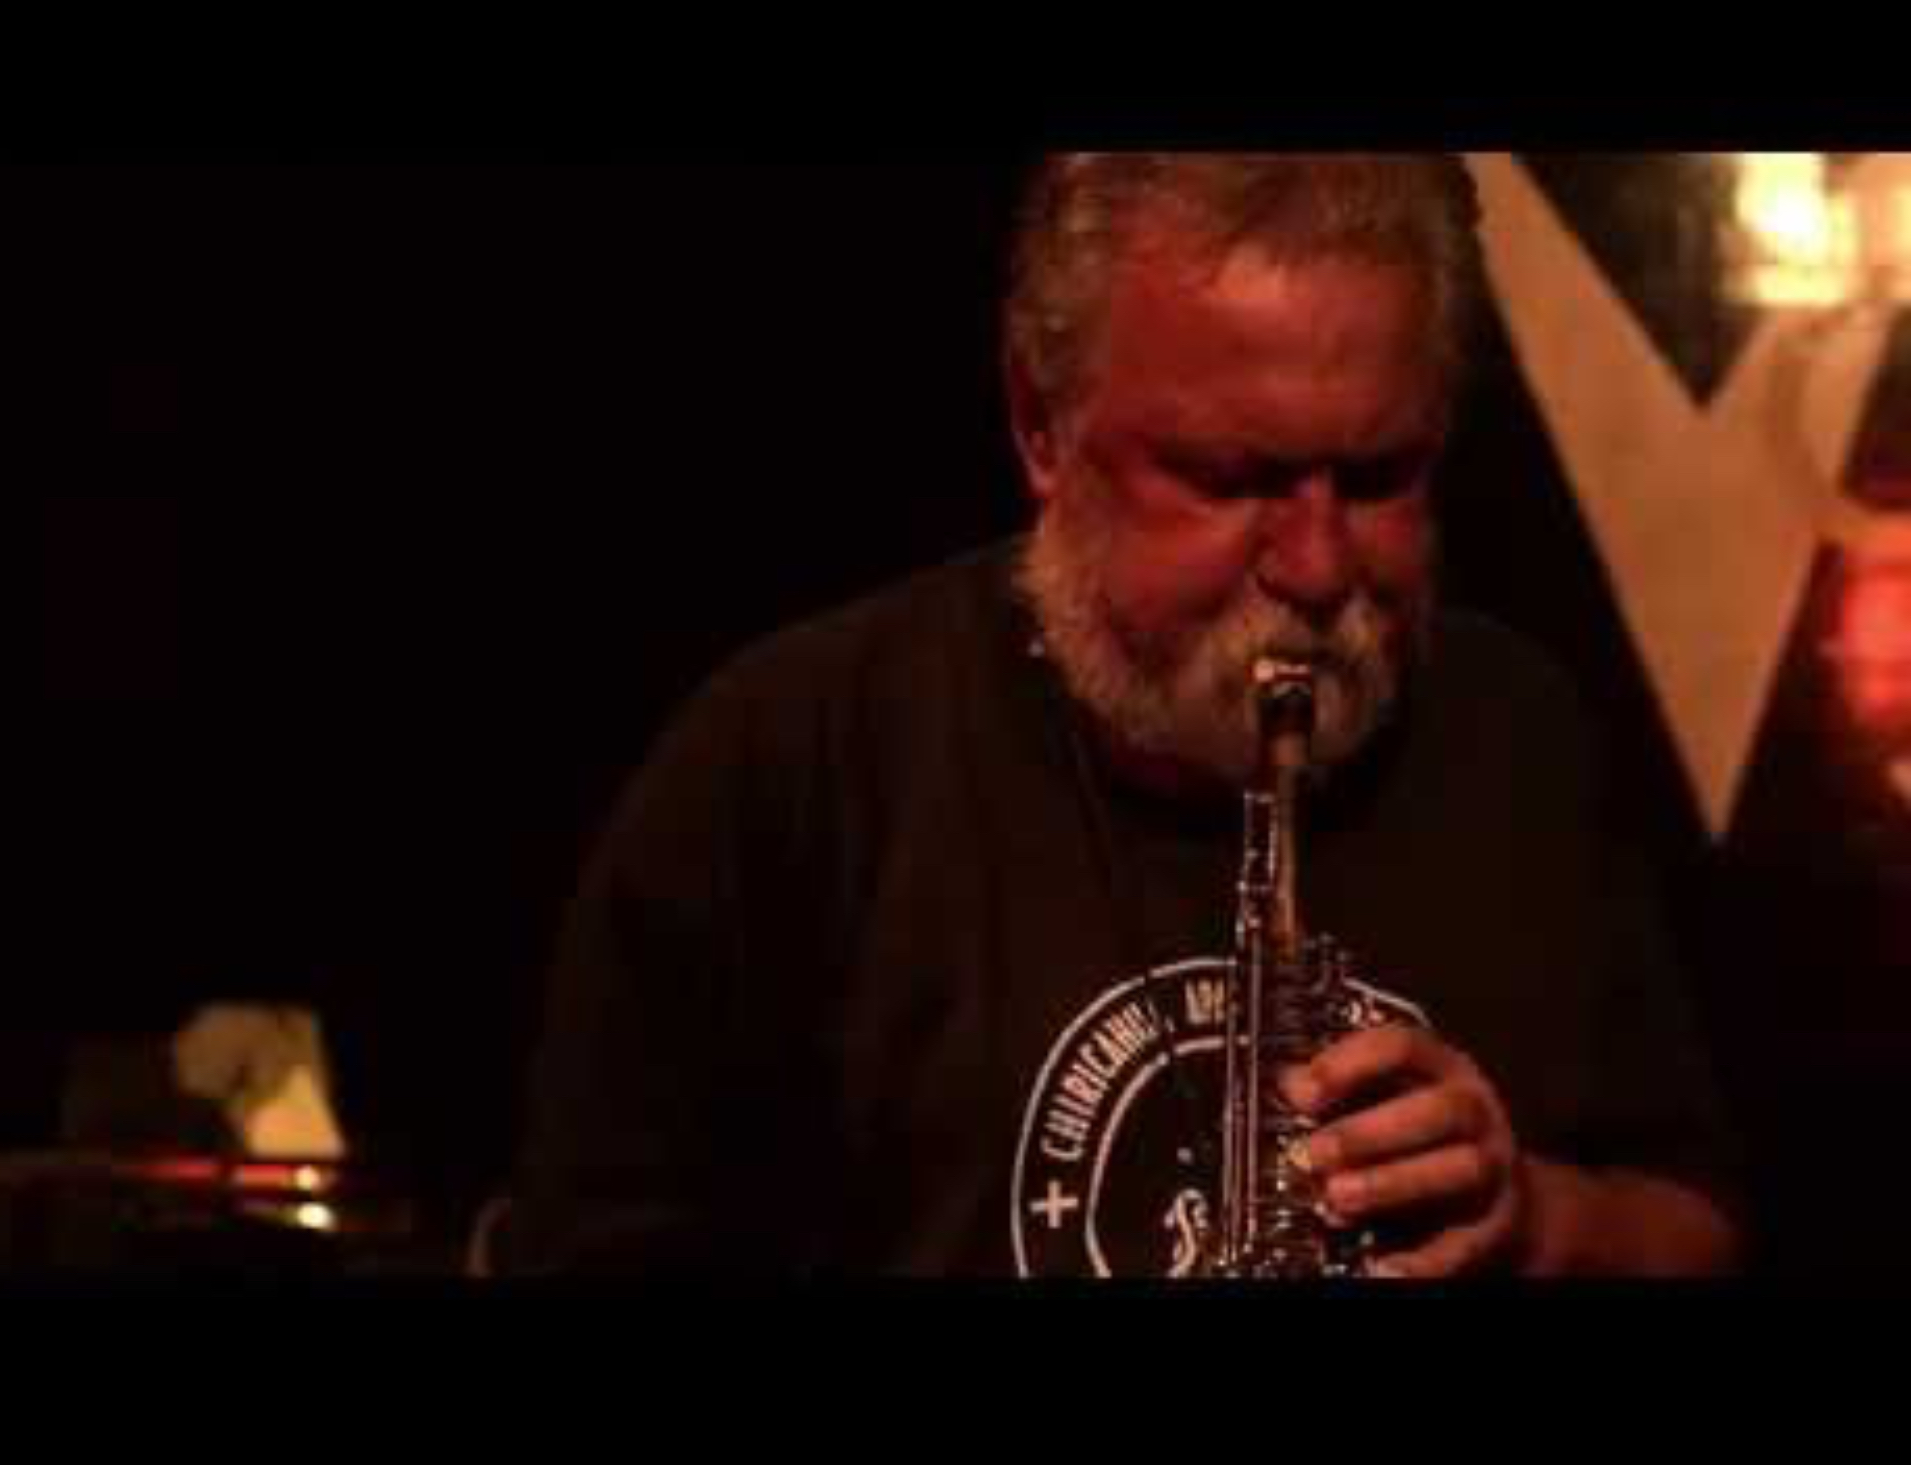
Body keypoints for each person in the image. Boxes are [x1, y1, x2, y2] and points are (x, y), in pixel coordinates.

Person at [488, 155, 1745, 1278]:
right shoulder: (787, 758)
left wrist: (1534, 1219)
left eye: (1377, 478)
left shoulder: (1520, 734)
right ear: (1041, 426)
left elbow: (1696, 1223)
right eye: (1230, 478)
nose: (1317, 569)